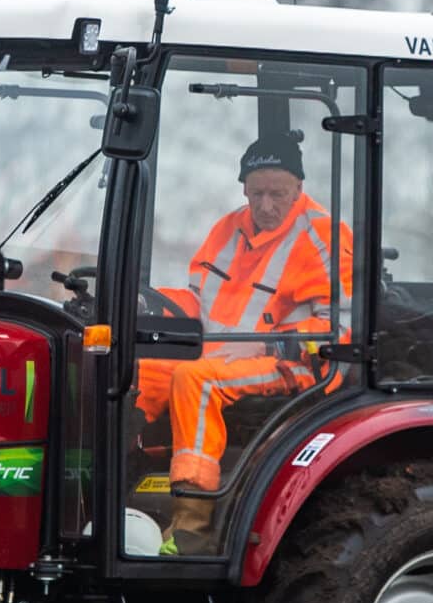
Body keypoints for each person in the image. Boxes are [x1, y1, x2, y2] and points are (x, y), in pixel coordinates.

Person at [136, 137, 352, 527]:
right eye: (257, 194)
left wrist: (265, 343)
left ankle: (191, 520)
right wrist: (144, 306)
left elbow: (338, 332)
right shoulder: (227, 228)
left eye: (278, 194)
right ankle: (118, 477)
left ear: (299, 188)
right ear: (244, 189)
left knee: (194, 379)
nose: (266, 206)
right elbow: (196, 300)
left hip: (292, 365)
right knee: (137, 369)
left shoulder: (324, 238)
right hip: (219, 353)